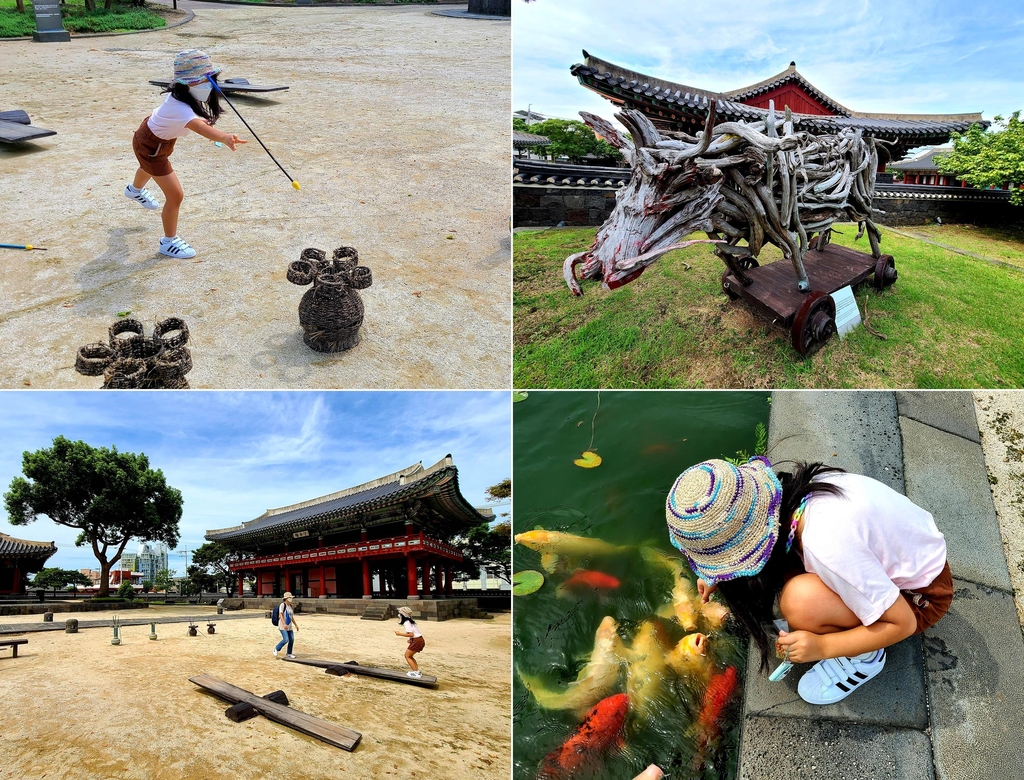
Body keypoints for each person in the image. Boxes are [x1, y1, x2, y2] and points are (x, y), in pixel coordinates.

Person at [665, 456, 951, 705]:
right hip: (897, 558)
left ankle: (866, 655)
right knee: (794, 595)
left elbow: (903, 623)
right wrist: (719, 573)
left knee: (799, 603)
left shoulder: (827, 544)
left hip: (919, 598)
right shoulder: (799, 501)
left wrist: (822, 647)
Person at [125, 49, 247, 259]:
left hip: (152, 140)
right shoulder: (181, 109)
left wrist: (217, 134)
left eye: (211, 79)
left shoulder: (187, 97)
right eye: (204, 80)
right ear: (186, 83)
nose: (209, 84)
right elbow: (199, 127)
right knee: (175, 195)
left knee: (148, 167)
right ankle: (168, 242)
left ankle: (134, 190)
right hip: (151, 146)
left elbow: (198, 122)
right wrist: (223, 137)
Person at [395, 606, 425, 678]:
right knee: (410, 656)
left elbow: (411, 634)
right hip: (419, 639)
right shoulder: (411, 621)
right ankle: (416, 671)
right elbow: (415, 633)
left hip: (417, 641)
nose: (399, 615)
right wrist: (411, 639)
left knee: (407, 656)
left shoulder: (407, 622)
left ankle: (416, 673)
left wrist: (399, 634)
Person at [274, 592, 298, 659]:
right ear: (286, 598)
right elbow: (280, 614)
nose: (291, 599)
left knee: (292, 639)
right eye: (290, 598)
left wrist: (296, 625)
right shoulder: (282, 605)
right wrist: (284, 623)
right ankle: (276, 648)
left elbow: (291, 617)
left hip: (289, 626)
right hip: (282, 625)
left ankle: (289, 653)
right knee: (285, 639)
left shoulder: (290, 606)